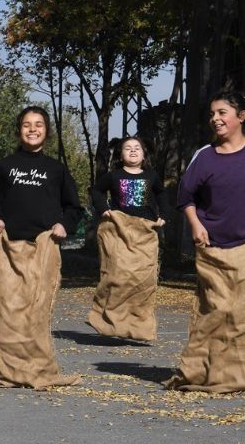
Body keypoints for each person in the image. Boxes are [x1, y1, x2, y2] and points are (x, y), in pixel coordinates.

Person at [0, 105, 84, 389]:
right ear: (18, 130)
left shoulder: (56, 170)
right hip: (11, 249)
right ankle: (6, 370)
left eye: (38, 124)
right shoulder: (4, 167)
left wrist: (64, 225)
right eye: (26, 124)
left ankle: (39, 369)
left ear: (46, 131)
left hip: (44, 248)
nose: (32, 129)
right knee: (8, 308)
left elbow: (73, 207)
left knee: (37, 310)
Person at [165, 90, 245, 393]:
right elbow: (185, 197)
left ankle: (235, 375)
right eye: (212, 114)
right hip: (213, 247)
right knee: (217, 310)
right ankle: (203, 371)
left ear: (241, 117)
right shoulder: (205, 156)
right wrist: (195, 225)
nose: (215, 119)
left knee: (240, 315)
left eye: (222, 112)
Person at [87, 136, 168, 341]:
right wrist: (104, 209)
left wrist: (163, 216)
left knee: (143, 280)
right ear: (120, 155)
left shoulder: (152, 176)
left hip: (145, 233)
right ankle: (109, 321)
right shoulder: (113, 176)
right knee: (118, 276)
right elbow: (96, 191)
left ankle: (138, 327)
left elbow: (162, 196)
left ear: (143, 154)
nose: (133, 151)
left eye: (137, 148)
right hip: (120, 232)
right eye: (128, 148)